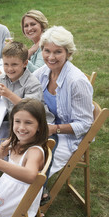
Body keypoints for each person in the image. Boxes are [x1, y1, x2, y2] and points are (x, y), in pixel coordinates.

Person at [34, 26, 93, 178]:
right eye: (47, 51)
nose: (51, 57)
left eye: (58, 52)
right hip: (47, 127)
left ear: (68, 53)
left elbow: (85, 124)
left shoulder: (77, 81)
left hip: (68, 136)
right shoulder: (43, 72)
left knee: (34, 163)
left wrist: (54, 129)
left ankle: (35, 193)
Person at [0, 41, 54, 149]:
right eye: (6, 64)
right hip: (16, 122)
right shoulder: (2, 78)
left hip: (36, 125)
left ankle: (7, 158)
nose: (10, 69)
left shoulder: (32, 83)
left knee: (3, 139)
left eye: (14, 64)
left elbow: (30, 109)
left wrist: (9, 94)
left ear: (25, 63)